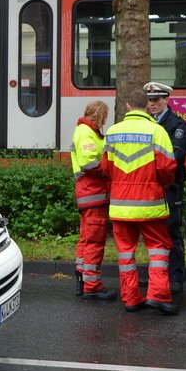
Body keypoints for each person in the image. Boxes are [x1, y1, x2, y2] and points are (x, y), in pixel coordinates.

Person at [101, 89, 179, 314]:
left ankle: (131, 298)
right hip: (150, 204)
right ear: (147, 106)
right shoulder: (157, 131)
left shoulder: (113, 132)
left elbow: (106, 168)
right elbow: (166, 168)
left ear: (127, 106)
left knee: (125, 253)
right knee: (159, 249)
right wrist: (161, 184)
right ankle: (158, 295)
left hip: (120, 205)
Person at [143, 81, 186, 302]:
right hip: (150, 187)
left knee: (171, 232)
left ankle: (175, 277)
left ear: (166, 100)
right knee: (153, 235)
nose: (152, 104)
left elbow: (176, 158)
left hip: (170, 188)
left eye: (156, 100)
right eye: (149, 100)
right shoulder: (146, 125)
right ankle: (157, 278)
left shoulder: (178, 126)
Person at [71, 100, 113, 300]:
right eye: (104, 116)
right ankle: (92, 285)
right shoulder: (86, 132)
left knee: (87, 238)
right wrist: (108, 170)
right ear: (99, 116)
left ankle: (82, 275)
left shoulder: (85, 131)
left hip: (88, 193)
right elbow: (89, 162)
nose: (105, 120)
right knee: (95, 241)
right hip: (93, 193)